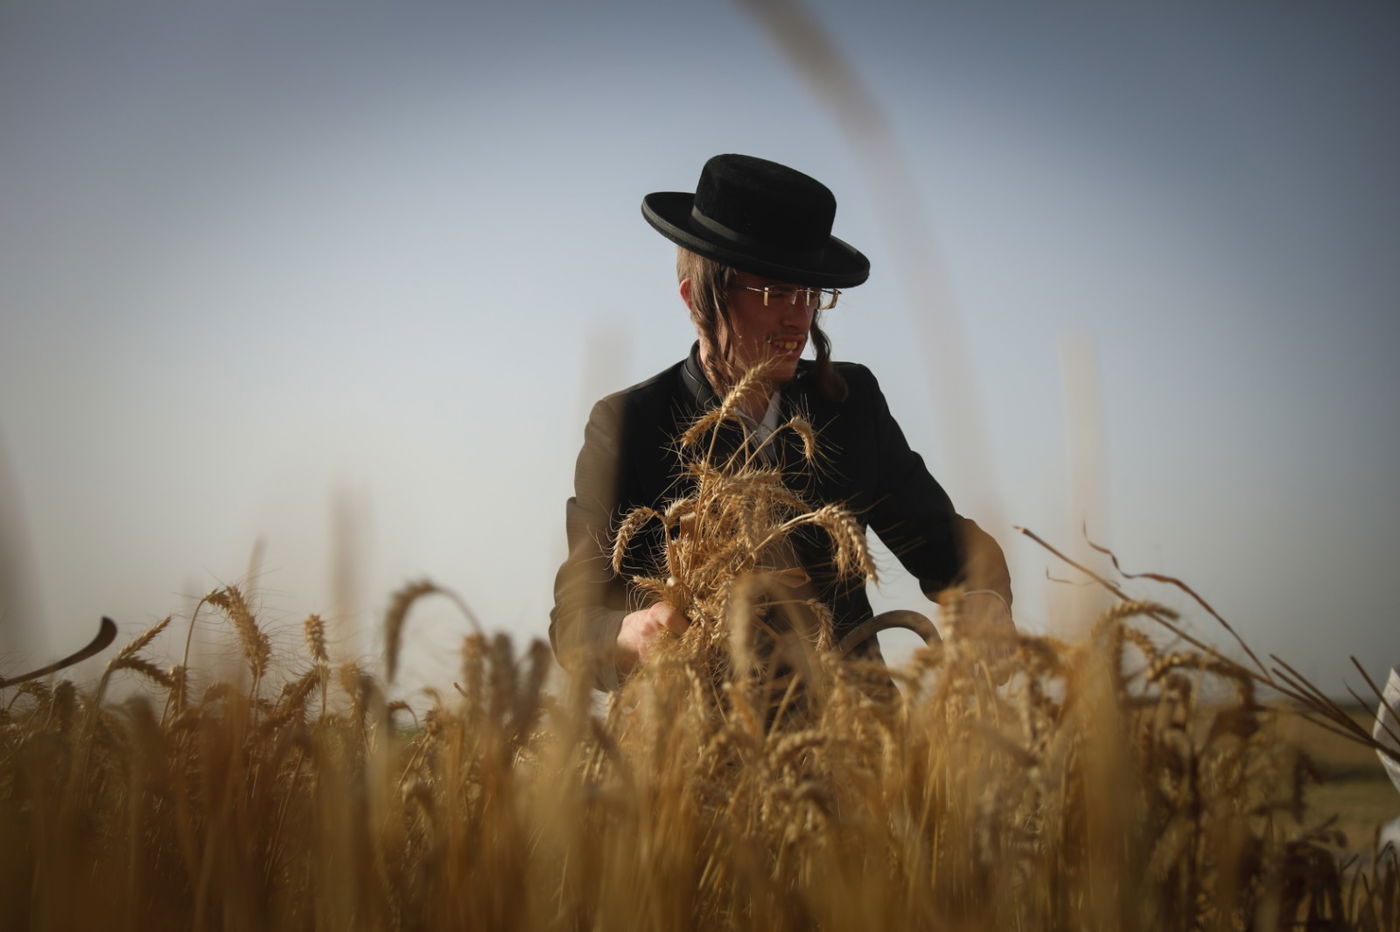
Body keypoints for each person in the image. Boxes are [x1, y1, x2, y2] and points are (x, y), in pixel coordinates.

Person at [550, 153, 1013, 690]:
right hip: (697, 755)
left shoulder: (849, 404)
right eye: (775, 293)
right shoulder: (628, 425)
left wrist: (983, 600)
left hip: (856, 745)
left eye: (812, 294)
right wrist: (629, 633)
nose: (799, 317)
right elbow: (574, 624)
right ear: (696, 299)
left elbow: (945, 545)